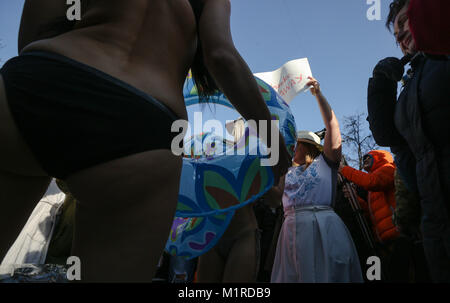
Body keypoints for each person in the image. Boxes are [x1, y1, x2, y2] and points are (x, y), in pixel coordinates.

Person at [0, 0, 291, 282]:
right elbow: (221, 57)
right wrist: (273, 143)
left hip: (34, 82)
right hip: (139, 119)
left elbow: (34, 32)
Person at [367, 0, 450, 282]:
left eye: (406, 20)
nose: (400, 34)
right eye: (396, 30)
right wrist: (381, 83)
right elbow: (391, 139)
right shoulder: (409, 83)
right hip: (434, 217)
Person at [270, 77, 363, 283]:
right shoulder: (284, 170)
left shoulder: (326, 162)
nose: (293, 147)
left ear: (309, 147)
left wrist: (318, 96)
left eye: (298, 144)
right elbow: (274, 198)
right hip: (291, 231)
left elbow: (333, 128)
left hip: (324, 227)